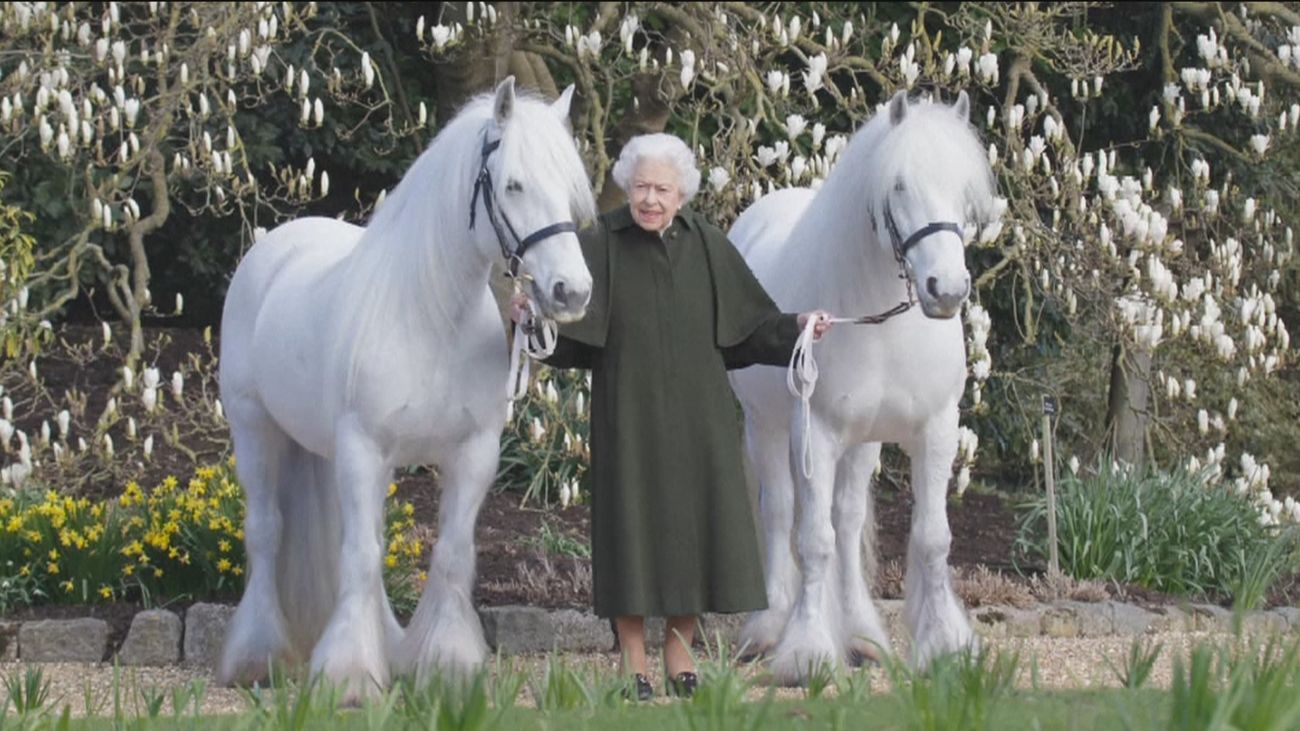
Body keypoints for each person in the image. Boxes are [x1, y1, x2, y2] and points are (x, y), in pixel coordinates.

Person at [511, 133, 831, 700]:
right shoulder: (600, 243)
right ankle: (633, 656)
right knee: (629, 532)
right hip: (626, 414)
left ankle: (679, 648)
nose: (650, 199)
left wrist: (801, 325)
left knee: (694, 533)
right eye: (640, 187)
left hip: (699, 416)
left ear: (682, 193)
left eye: (661, 188)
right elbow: (567, 335)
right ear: (626, 189)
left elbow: (750, 328)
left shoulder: (708, 244)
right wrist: (529, 318)